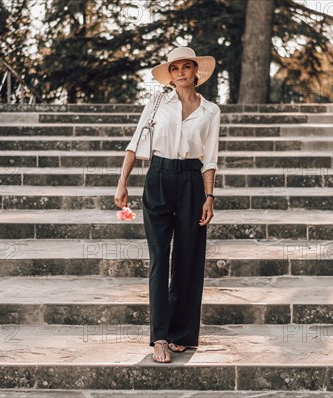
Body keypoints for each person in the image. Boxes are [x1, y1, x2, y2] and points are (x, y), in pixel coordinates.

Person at [114, 46, 221, 363]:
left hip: (191, 181)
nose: (180, 73)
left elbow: (210, 159)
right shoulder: (158, 102)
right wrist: (123, 181)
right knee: (160, 258)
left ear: (195, 72)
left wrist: (210, 197)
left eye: (185, 67)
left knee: (189, 258)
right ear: (170, 75)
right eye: (174, 69)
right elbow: (135, 143)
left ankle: (182, 335)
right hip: (158, 177)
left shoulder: (211, 111)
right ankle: (160, 336)